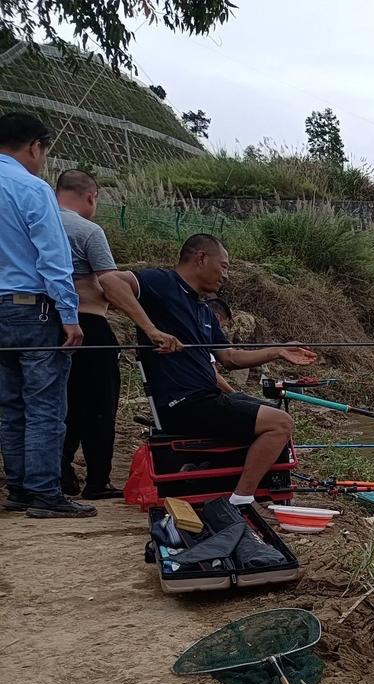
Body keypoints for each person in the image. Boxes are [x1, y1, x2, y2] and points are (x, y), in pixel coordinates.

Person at [99, 234, 317, 506]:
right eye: (223, 266)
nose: (226, 275)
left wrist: (278, 350)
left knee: (266, 409)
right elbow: (110, 281)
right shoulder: (162, 282)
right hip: (183, 404)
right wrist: (152, 331)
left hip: (206, 400)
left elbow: (231, 358)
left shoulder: (203, 311)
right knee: (280, 423)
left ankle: (242, 486)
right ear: (201, 258)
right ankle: (241, 499)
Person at [55, 169, 179, 498]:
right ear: (91, 197)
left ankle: (57, 472)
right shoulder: (87, 230)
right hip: (89, 325)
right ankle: (97, 480)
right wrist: (149, 328)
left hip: (43, 325)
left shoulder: (35, 225)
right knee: (99, 404)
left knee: (59, 403)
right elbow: (111, 283)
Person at [0, 112, 95, 518]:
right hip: (33, 309)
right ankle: (44, 492)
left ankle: (20, 488)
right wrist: (69, 315)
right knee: (44, 405)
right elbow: (54, 259)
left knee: (10, 406)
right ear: (35, 146)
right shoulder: (32, 188)